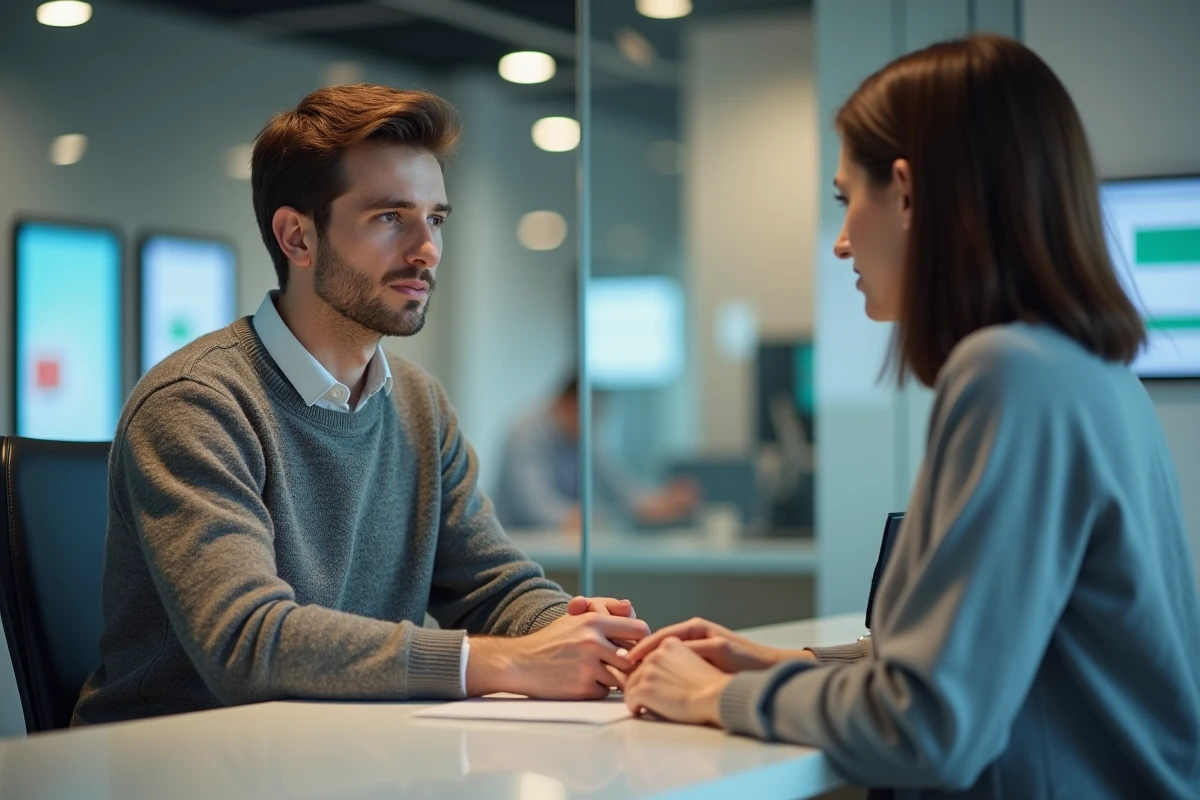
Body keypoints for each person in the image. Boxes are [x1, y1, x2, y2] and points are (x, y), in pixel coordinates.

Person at [615, 35, 1200, 799]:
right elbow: (1003, 666)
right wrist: (777, 664)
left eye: (845, 199)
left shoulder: (1010, 374)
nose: (842, 241)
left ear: (908, 192)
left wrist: (703, 695)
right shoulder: (1090, 370)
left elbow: (925, 729)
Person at [72, 85, 648, 726]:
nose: (426, 248)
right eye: (389, 217)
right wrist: (504, 662)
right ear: (296, 237)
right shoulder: (198, 403)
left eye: (435, 219)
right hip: (175, 763)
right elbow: (247, 642)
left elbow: (493, 586)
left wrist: (592, 638)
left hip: (344, 748)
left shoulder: (418, 404)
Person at [494, 376, 701, 531]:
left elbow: (617, 485)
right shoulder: (525, 433)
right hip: (518, 543)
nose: (592, 423)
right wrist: (586, 519)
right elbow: (534, 506)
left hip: (558, 543)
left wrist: (657, 502)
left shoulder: (584, 432)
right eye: (589, 414)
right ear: (565, 404)